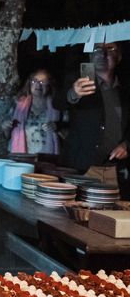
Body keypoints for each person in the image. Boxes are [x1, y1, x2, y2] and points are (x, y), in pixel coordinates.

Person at [54, 42, 129, 190]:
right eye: (97, 49)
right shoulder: (78, 80)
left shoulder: (125, 89)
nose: (103, 53)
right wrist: (73, 93)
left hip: (112, 169)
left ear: (119, 56)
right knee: (73, 211)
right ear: (90, 55)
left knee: (107, 212)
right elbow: (58, 103)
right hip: (80, 167)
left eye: (110, 49)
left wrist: (127, 145)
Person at [3, 69, 61, 155]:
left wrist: (57, 127)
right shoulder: (18, 104)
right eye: (34, 81)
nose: (38, 85)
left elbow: (68, 134)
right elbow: (7, 135)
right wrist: (6, 127)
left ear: (50, 84)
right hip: (20, 156)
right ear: (29, 83)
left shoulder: (58, 105)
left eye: (43, 82)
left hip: (47, 157)